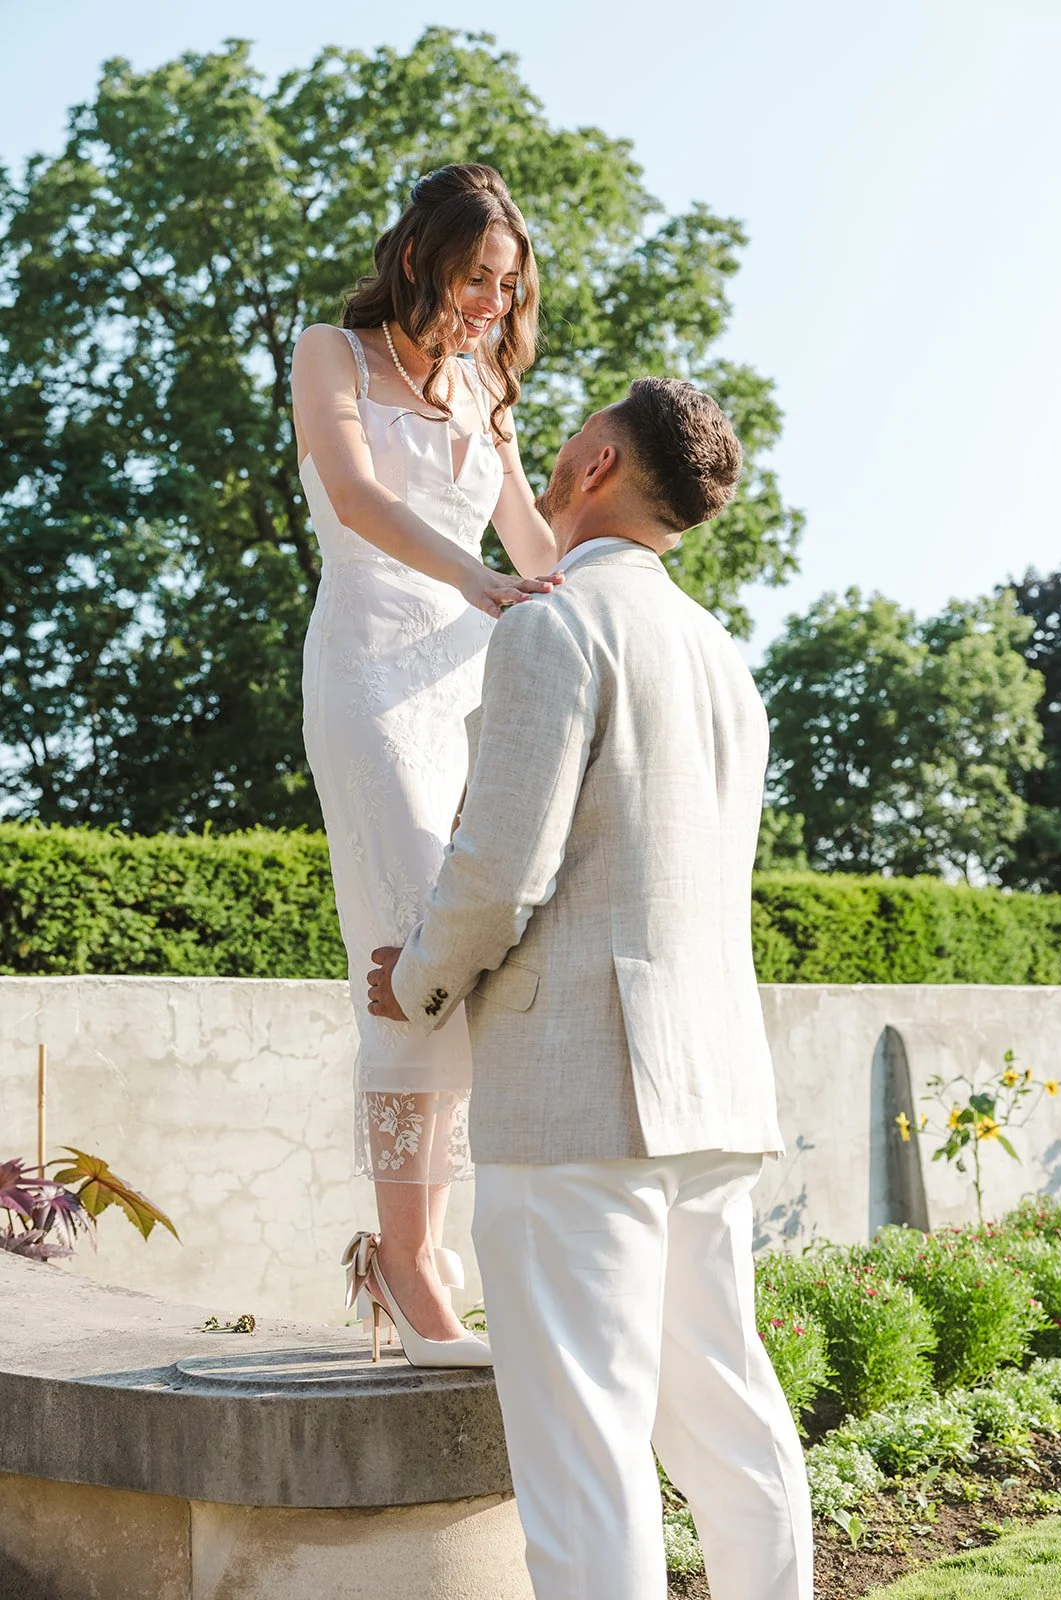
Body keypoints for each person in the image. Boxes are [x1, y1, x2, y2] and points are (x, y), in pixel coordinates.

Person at [366, 376, 814, 1598]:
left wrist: (411, 981)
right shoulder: (722, 656)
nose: (551, 457)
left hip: (578, 1099)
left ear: (600, 461)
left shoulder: (553, 624)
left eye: (569, 440)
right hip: (712, 1088)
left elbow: (502, 870)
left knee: (583, 1459)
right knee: (730, 1423)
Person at [290, 164, 560, 1366]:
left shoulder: (487, 386)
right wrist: (475, 581)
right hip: (366, 672)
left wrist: (605, 614)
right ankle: (405, 1265)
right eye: (475, 279)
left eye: (508, 288)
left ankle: (418, 1258)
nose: (490, 306)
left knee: (461, 954)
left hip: (469, 690)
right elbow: (351, 496)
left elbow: (535, 546)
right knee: (405, 943)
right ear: (418, 259)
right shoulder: (328, 357)